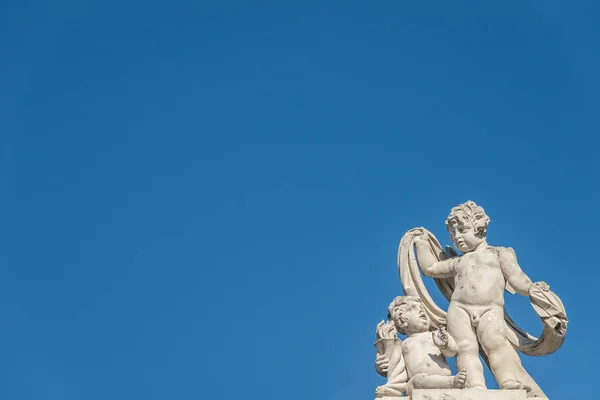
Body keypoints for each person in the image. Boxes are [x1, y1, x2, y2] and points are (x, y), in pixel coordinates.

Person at [414, 201, 548, 390]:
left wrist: (533, 288)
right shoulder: (458, 261)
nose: (457, 237)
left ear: (479, 227)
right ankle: (474, 386)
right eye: (453, 234)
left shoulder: (499, 253)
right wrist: (421, 244)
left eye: (462, 230)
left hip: (490, 309)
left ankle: (508, 382)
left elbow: (517, 279)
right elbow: (431, 268)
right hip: (459, 308)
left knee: (495, 344)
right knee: (464, 348)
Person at [375, 296, 466, 397]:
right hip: (416, 384)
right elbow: (395, 366)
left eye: (422, 308)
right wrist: (382, 366)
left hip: (442, 378)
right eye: (413, 308)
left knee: (422, 379)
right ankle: (452, 382)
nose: (421, 311)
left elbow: (452, 351)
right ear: (401, 319)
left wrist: (445, 344)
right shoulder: (404, 344)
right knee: (417, 379)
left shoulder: (436, 335)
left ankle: (452, 382)